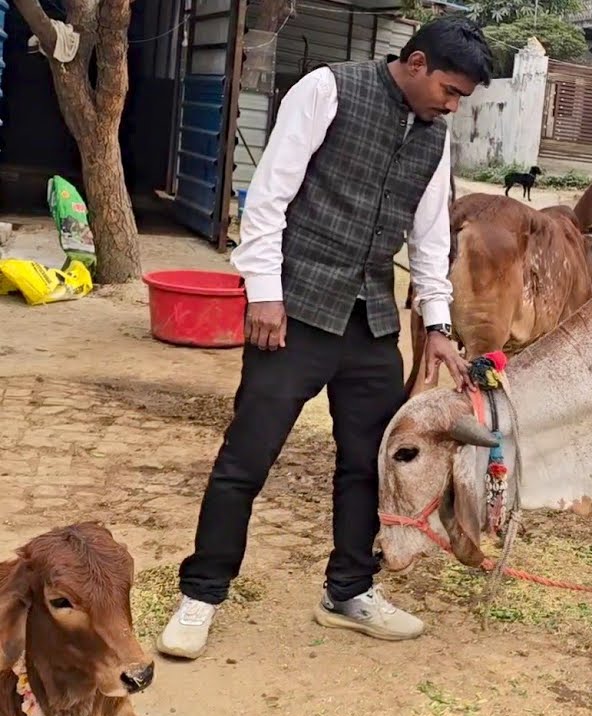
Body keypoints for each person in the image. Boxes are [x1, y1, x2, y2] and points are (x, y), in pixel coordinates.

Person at [155, 17, 494, 660]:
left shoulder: (434, 136)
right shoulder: (327, 89)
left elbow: (428, 238)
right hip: (296, 314)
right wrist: (264, 293)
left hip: (370, 324)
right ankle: (201, 595)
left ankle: (349, 591)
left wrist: (441, 326)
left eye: (461, 98)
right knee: (245, 460)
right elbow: (269, 198)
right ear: (416, 63)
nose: (452, 105)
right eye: (450, 90)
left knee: (366, 464)